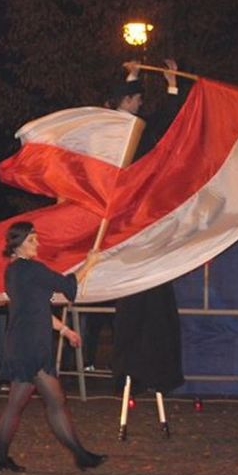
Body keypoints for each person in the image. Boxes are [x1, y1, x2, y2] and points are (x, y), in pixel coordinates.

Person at [0, 221, 104, 472]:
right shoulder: (31, 269)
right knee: (56, 401)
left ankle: (1, 459)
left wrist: (64, 330)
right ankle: (81, 456)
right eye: (32, 240)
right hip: (31, 345)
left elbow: (35, 310)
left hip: (22, 342)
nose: (37, 244)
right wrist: (91, 262)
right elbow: (67, 285)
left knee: (16, 404)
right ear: (18, 244)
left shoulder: (13, 272)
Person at [104, 60, 185, 400]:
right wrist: (134, 78)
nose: (139, 103)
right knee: (132, 303)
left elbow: (168, 120)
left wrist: (168, 84)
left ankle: (153, 372)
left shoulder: (141, 130)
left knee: (154, 302)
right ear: (125, 102)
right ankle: (129, 373)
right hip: (127, 221)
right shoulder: (114, 130)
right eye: (135, 99)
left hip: (145, 220)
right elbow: (131, 108)